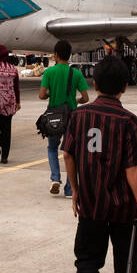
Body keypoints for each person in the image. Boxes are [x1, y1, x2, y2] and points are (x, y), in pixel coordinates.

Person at [61, 55, 137, 273]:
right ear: (124, 87)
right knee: (126, 266)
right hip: (124, 210)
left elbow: (68, 154)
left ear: (95, 83)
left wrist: (76, 191)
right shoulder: (129, 121)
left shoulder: (78, 116)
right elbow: (132, 166)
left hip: (91, 206)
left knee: (87, 262)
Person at [38, 40, 90, 196]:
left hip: (54, 116)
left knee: (52, 148)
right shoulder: (76, 73)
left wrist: (51, 94)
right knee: (71, 152)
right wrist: (76, 101)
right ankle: (69, 189)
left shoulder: (49, 72)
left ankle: (55, 178)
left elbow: (41, 95)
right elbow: (86, 98)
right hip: (72, 117)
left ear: (56, 55)